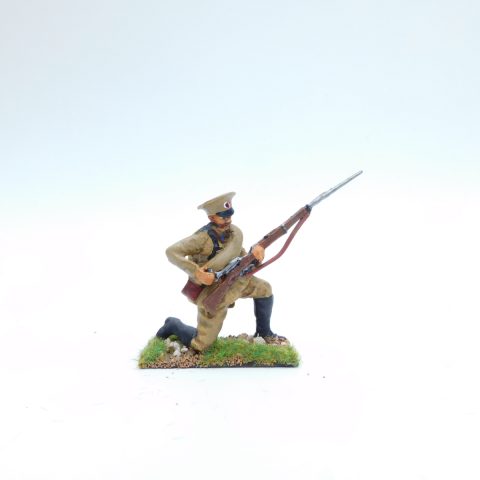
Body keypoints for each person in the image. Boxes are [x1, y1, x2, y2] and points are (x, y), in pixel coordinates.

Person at [156, 192, 284, 352]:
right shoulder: (202, 238)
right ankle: (173, 325)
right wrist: (197, 273)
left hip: (236, 281)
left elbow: (240, 257)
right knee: (201, 346)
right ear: (211, 218)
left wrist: (256, 256)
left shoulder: (234, 234)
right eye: (223, 217)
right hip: (213, 290)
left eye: (229, 216)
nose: (228, 220)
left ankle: (264, 332)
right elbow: (171, 252)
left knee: (264, 289)